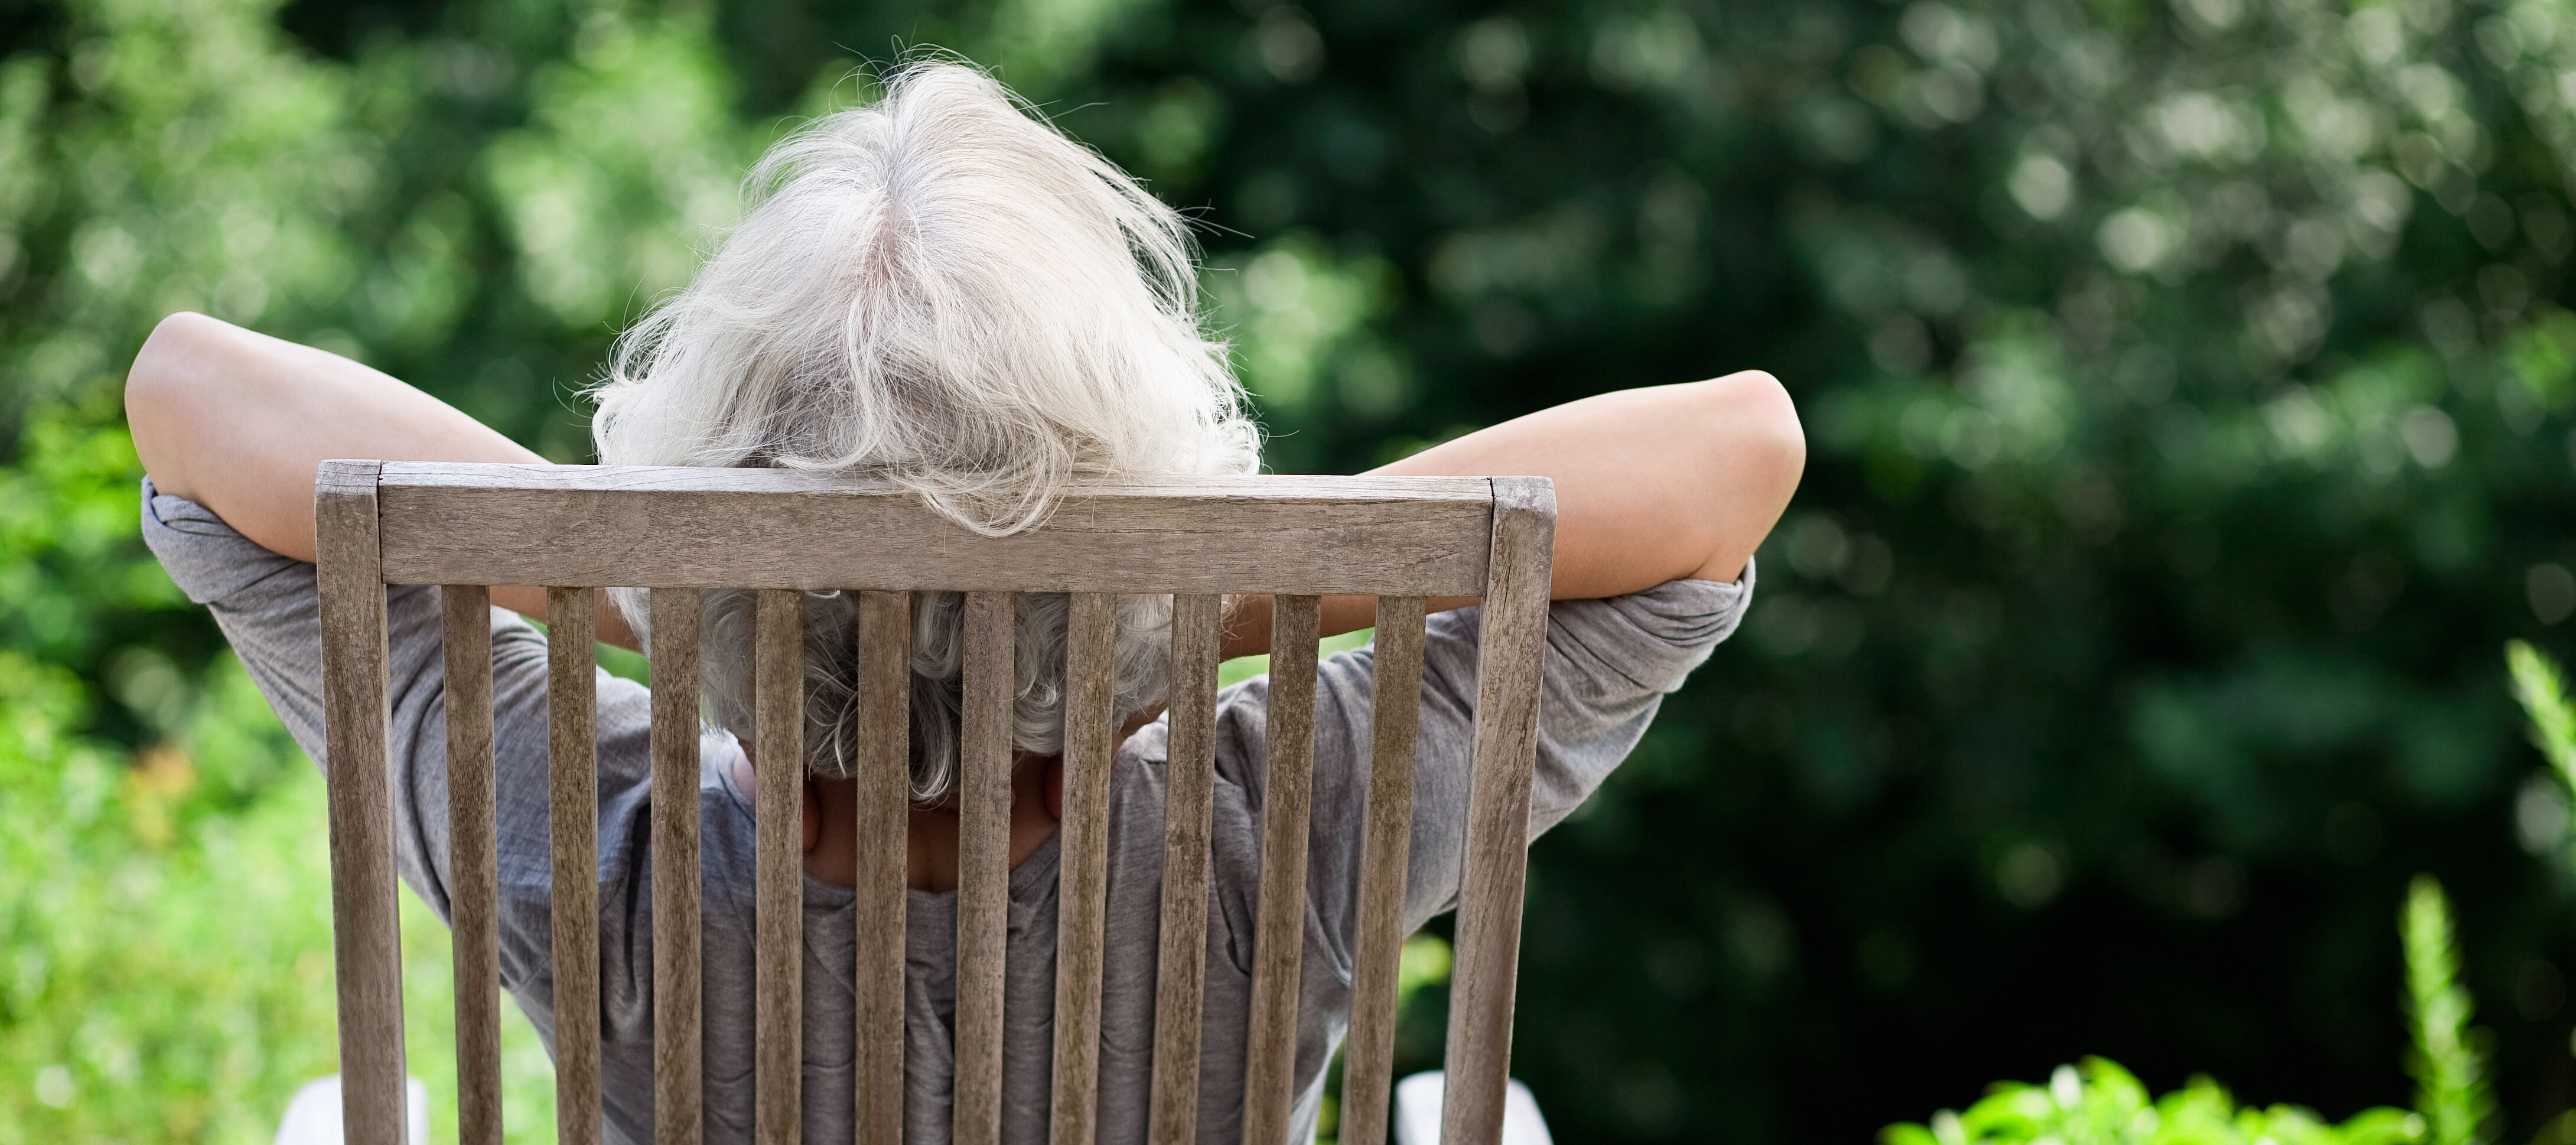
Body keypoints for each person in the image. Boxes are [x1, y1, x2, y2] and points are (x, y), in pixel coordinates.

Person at [125, 60, 1802, 1145]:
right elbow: (1735, 452)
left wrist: (674, 590)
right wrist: (1161, 602)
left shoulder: (586, 838)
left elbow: (192, 393)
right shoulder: (1277, 832)